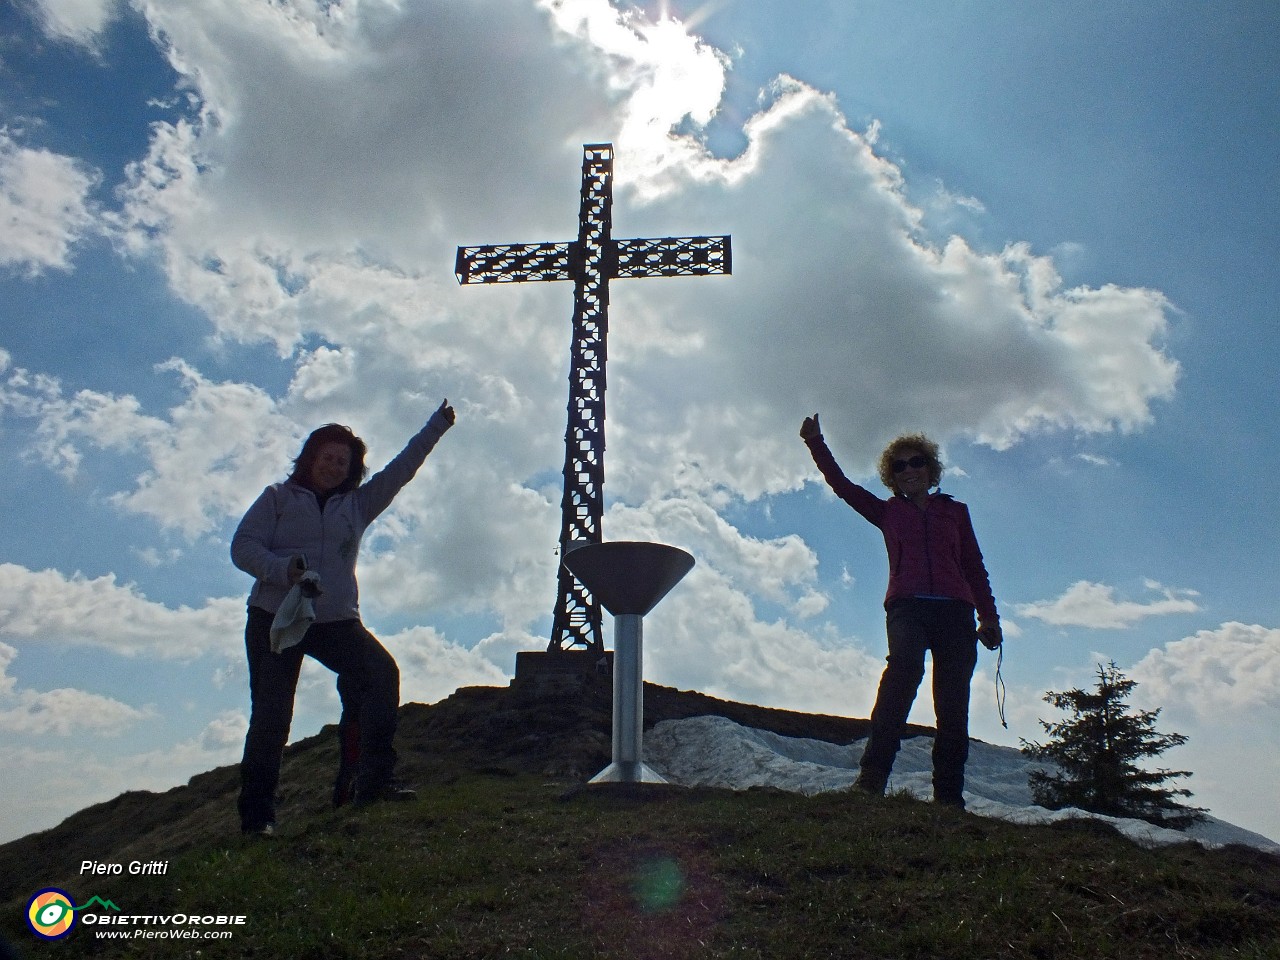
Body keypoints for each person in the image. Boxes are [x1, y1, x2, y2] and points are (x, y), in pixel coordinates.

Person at [231, 401, 455, 835]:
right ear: (310, 459)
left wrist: (436, 426)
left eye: (342, 460)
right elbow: (243, 546)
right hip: (275, 618)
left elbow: (401, 468)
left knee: (379, 675)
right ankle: (257, 820)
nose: (333, 466)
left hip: (335, 619)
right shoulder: (276, 498)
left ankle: (369, 784)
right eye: (326, 457)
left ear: (351, 468)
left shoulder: (359, 504)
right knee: (272, 717)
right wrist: (284, 570)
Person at [800, 414, 1002, 809]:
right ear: (891, 477)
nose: (909, 470)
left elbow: (974, 565)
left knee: (952, 704)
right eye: (899, 465)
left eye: (917, 462)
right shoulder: (887, 512)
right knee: (902, 676)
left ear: (931, 469)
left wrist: (989, 616)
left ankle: (948, 800)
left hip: (956, 612)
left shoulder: (956, 512)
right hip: (907, 607)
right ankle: (871, 781)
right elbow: (842, 486)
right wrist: (816, 443)